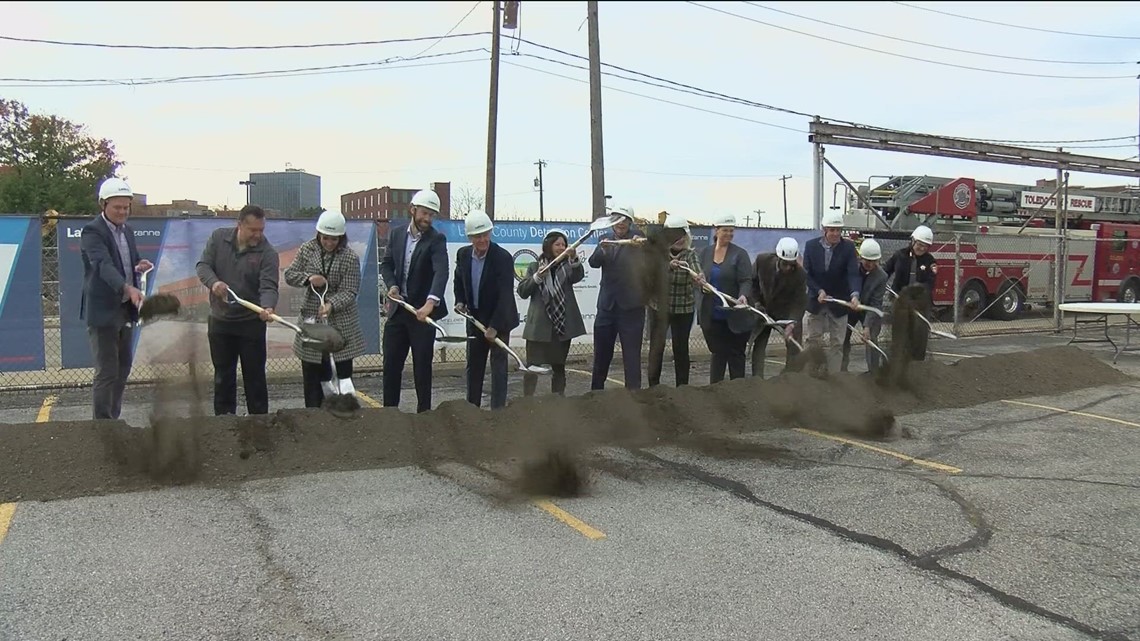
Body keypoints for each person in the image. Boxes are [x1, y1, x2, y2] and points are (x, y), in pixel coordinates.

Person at [79, 177, 153, 420]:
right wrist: (126, 288)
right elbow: (103, 265)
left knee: (123, 368)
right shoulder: (93, 232)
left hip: (124, 310)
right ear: (103, 205)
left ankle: (114, 419)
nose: (122, 212)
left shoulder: (127, 231)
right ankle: (103, 426)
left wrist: (138, 266)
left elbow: (126, 262)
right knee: (107, 371)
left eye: (126, 207)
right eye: (117, 207)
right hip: (103, 311)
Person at [195, 205, 279, 416]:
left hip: (251, 324)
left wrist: (267, 306)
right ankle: (225, 424)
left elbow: (268, 286)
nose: (258, 235)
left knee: (255, 378)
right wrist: (214, 284)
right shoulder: (218, 238)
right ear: (239, 225)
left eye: (261, 230)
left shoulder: (268, 253)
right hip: (220, 323)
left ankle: (259, 424)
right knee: (223, 377)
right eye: (253, 230)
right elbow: (203, 266)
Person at [282, 210, 366, 408]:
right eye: (325, 238)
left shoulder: (350, 258)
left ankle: (344, 412)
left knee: (342, 372)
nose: (329, 243)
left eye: (334, 239)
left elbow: (351, 290)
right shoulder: (306, 250)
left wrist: (331, 304)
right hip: (312, 321)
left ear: (341, 238)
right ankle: (313, 413)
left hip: (341, 323)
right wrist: (309, 278)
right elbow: (289, 274)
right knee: (312, 371)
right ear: (318, 234)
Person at [379, 188, 449, 413]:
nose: (427, 219)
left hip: (421, 314)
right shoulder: (397, 234)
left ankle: (424, 415)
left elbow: (441, 272)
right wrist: (392, 286)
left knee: (422, 367)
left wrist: (430, 303)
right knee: (391, 365)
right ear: (413, 210)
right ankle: (390, 413)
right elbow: (387, 264)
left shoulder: (436, 239)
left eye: (431, 215)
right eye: (424, 213)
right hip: (399, 311)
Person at [453, 210, 519, 410]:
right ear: (470, 237)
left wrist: (494, 326)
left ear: (490, 232)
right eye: (477, 236)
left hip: (499, 318)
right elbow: (459, 280)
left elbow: (505, 294)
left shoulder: (502, 257)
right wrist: (460, 301)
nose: (482, 239)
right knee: (474, 365)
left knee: (498, 366)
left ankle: (497, 411)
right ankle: (472, 408)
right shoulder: (463, 254)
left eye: (485, 234)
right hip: (475, 319)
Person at [518, 228, 586, 397]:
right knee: (532, 367)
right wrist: (537, 278)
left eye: (564, 244)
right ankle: (527, 401)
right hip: (539, 328)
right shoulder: (535, 266)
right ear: (548, 245)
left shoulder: (568, 266)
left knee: (559, 366)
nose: (561, 247)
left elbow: (578, 275)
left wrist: (573, 258)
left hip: (561, 326)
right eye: (557, 244)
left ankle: (558, 400)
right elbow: (523, 291)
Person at [588, 206, 647, 390]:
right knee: (602, 355)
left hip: (632, 308)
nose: (621, 223)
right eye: (617, 219)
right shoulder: (603, 239)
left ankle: (634, 397)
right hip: (607, 307)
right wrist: (602, 249)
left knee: (631, 356)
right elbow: (593, 262)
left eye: (625, 219)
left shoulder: (639, 240)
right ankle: (596, 394)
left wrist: (641, 248)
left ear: (630, 222)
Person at [696, 214, 755, 383]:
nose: (729, 234)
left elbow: (746, 280)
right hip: (713, 314)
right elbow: (700, 279)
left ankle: (737, 389)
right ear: (717, 230)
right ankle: (716, 389)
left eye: (731, 231)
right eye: (725, 230)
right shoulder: (705, 253)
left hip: (734, 314)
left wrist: (743, 295)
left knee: (736, 354)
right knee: (718, 354)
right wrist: (701, 284)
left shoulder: (740, 254)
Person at [802, 211, 861, 374]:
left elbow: (853, 273)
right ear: (824, 230)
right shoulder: (811, 246)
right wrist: (818, 291)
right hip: (817, 301)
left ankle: (834, 378)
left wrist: (855, 294)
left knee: (837, 343)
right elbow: (806, 274)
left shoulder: (848, 247)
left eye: (838, 230)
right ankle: (811, 374)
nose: (835, 233)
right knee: (813, 339)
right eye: (832, 230)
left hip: (839, 302)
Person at [647, 213, 701, 387]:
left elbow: (696, 270)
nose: (678, 239)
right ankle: (653, 386)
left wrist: (699, 278)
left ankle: (682, 388)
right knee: (657, 348)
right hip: (659, 308)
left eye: (682, 235)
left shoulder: (690, 255)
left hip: (683, 309)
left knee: (681, 349)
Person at [749, 236, 807, 378]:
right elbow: (752, 283)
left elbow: (800, 301)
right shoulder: (762, 261)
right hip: (763, 308)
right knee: (759, 345)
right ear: (778, 258)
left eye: (791, 265)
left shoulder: (800, 274)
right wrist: (757, 303)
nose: (788, 268)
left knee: (794, 346)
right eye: (785, 264)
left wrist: (792, 323)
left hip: (786, 312)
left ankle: (790, 378)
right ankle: (757, 378)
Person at [884, 224, 938, 362]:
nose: (922, 248)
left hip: (919, 305)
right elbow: (885, 272)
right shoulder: (899, 255)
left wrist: (915, 293)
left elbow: (929, 283)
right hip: (900, 302)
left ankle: (917, 366)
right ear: (913, 241)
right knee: (899, 336)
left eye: (926, 246)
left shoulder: (930, 261)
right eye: (920, 244)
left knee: (919, 337)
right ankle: (896, 365)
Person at [852, 239, 889, 374]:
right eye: (867, 260)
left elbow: (875, 303)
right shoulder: (852, 269)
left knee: (871, 337)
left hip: (869, 309)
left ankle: (873, 373)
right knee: (843, 337)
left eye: (874, 261)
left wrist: (866, 326)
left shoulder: (881, 276)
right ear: (861, 258)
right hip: (850, 306)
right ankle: (841, 371)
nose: (871, 264)